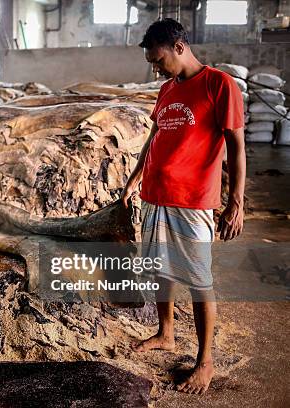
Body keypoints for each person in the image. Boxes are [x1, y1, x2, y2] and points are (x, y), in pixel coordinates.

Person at [120, 19, 245, 395]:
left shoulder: (218, 84)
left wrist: (236, 202)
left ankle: (205, 362)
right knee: (160, 267)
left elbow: (237, 148)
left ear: (178, 47)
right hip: (155, 194)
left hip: (192, 201)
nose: (155, 68)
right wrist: (134, 178)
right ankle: (167, 333)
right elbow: (155, 135)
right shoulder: (166, 89)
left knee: (198, 279)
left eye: (158, 60)